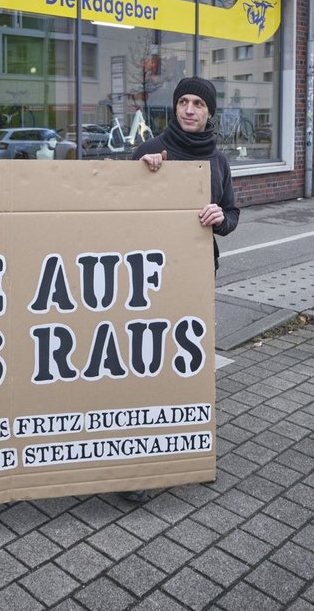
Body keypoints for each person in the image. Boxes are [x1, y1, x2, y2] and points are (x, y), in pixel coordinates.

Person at [123, 75, 239, 503]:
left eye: (198, 104)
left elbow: (232, 214)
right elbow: (117, 211)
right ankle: (140, 468)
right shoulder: (149, 152)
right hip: (148, 281)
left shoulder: (219, 162)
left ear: (209, 112)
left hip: (195, 277)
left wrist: (219, 218)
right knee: (147, 368)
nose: (189, 110)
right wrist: (144, 174)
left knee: (187, 367)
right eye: (183, 102)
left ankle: (187, 454)